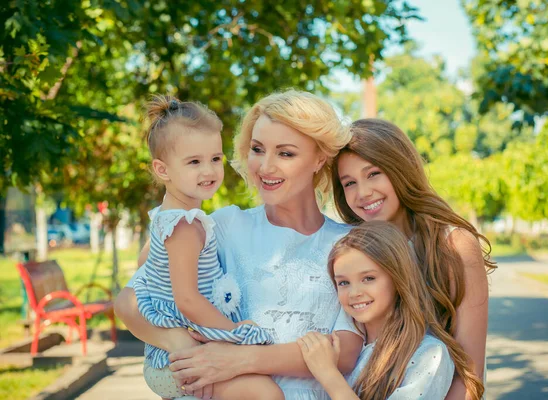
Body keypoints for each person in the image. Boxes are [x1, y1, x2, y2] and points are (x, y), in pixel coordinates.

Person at [115, 90, 363, 400]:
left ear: (319, 158)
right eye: (258, 149)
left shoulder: (349, 244)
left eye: (285, 153)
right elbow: (130, 299)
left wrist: (240, 359)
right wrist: (182, 346)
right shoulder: (220, 226)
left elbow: (346, 351)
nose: (266, 166)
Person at [132, 95, 282, 400]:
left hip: (174, 355)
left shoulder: (169, 215)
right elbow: (187, 299)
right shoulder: (184, 225)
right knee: (265, 393)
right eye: (194, 162)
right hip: (175, 363)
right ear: (162, 170)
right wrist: (236, 332)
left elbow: (144, 262)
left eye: (215, 158)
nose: (209, 171)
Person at [331, 118, 494, 399]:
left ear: (400, 169)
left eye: (374, 174)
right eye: (349, 183)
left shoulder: (452, 244)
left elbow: (469, 373)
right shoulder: (352, 250)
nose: (363, 192)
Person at [298, 221, 484, 400]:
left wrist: (328, 375)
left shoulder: (428, 354)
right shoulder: (344, 349)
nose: (354, 293)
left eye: (368, 278)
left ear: (397, 279)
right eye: (344, 282)